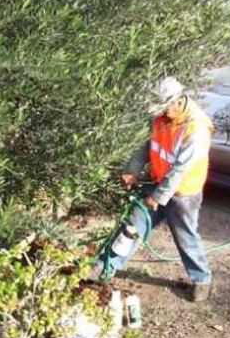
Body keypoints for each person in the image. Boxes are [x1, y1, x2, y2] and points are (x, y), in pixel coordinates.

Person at [90, 77, 214, 302]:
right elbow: (146, 145)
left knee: (185, 236)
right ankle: (103, 267)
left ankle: (201, 280)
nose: (160, 112)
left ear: (177, 101)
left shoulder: (196, 128)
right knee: (132, 227)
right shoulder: (161, 116)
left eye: (163, 107)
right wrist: (133, 170)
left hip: (183, 192)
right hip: (159, 181)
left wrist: (159, 196)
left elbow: (180, 170)